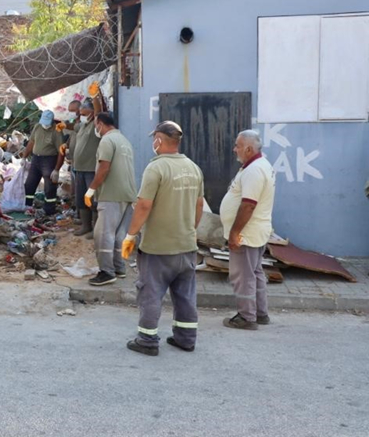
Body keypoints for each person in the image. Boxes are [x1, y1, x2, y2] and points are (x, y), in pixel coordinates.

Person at [121, 121, 204, 356]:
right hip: (187, 245)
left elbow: (144, 205)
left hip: (158, 247)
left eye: (153, 139)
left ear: (158, 139)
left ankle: (147, 341)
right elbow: (199, 205)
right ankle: (186, 338)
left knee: (151, 292)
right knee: (185, 295)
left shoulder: (155, 168)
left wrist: (131, 235)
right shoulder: (193, 168)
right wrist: (189, 229)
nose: (152, 143)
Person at [219, 130, 276, 330]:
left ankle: (247, 317)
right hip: (256, 232)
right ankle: (260, 313)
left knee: (242, 276)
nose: (235, 148)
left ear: (249, 148)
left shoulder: (254, 170)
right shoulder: (257, 166)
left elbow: (248, 206)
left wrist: (234, 233)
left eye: (238, 145)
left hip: (247, 233)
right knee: (254, 272)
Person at [85, 112, 137, 286]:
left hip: (111, 194)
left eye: (96, 126)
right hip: (128, 194)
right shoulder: (124, 141)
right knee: (119, 235)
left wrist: (91, 189)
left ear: (100, 123)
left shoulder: (107, 141)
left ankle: (107, 272)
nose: (96, 129)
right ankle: (119, 267)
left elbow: (104, 167)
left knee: (103, 235)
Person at [69, 98, 102, 237]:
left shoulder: (95, 125)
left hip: (90, 169)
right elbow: (72, 126)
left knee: (93, 200)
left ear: (92, 112)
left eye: (83, 112)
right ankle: (86, 226)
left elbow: (99, 112)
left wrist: (95, 98)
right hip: (79, 168)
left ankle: (96, 229)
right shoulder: (82, 125)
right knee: (81, 199)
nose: (80, 115)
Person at [21, 110, 63, 216]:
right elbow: (31, 142)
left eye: (47, 122)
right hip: (36, 159)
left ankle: (49, 209)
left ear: (52, 121)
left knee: (49, 186)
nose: (44, 124)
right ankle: (27, 205)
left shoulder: (56, 131)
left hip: (49, 160)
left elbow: (61, 152)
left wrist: (57, 169)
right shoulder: (38, 127)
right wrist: (24, 157)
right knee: (30, 183)